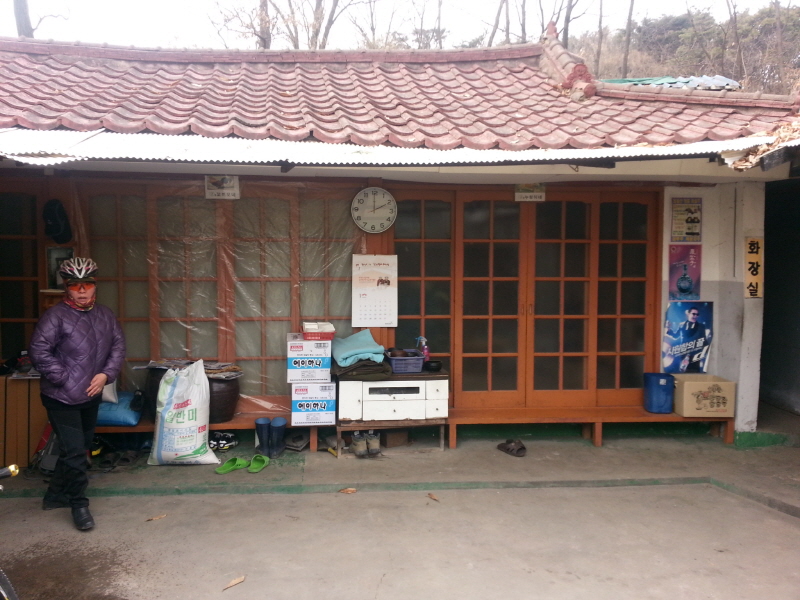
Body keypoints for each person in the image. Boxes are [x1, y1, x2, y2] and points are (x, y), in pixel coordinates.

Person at [29, 257, 125, 531]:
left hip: (91, 394)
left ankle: (54, 496)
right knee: (74, 453)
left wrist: (105, 375)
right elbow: (39, 351)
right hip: (61, 398)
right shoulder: (55, 316)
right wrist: (65, 379)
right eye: (75, 285)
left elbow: (117, 346)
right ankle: (79, 505)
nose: (82, 290)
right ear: (66, 288)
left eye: (87, 284)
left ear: (95, 286)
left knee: (78, 447)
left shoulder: (105, 314)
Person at [662, 305, 711, 373]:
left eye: (697, 314)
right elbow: (676, 336)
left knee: (694, 373)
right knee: (682, 373)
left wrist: (704, 353)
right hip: (683, 354)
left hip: (695, 355)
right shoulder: (681, 325)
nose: (695, 316)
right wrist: (669, 330)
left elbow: (704, 341)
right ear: (688, 314)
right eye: (693, 314)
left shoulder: (701, 326)